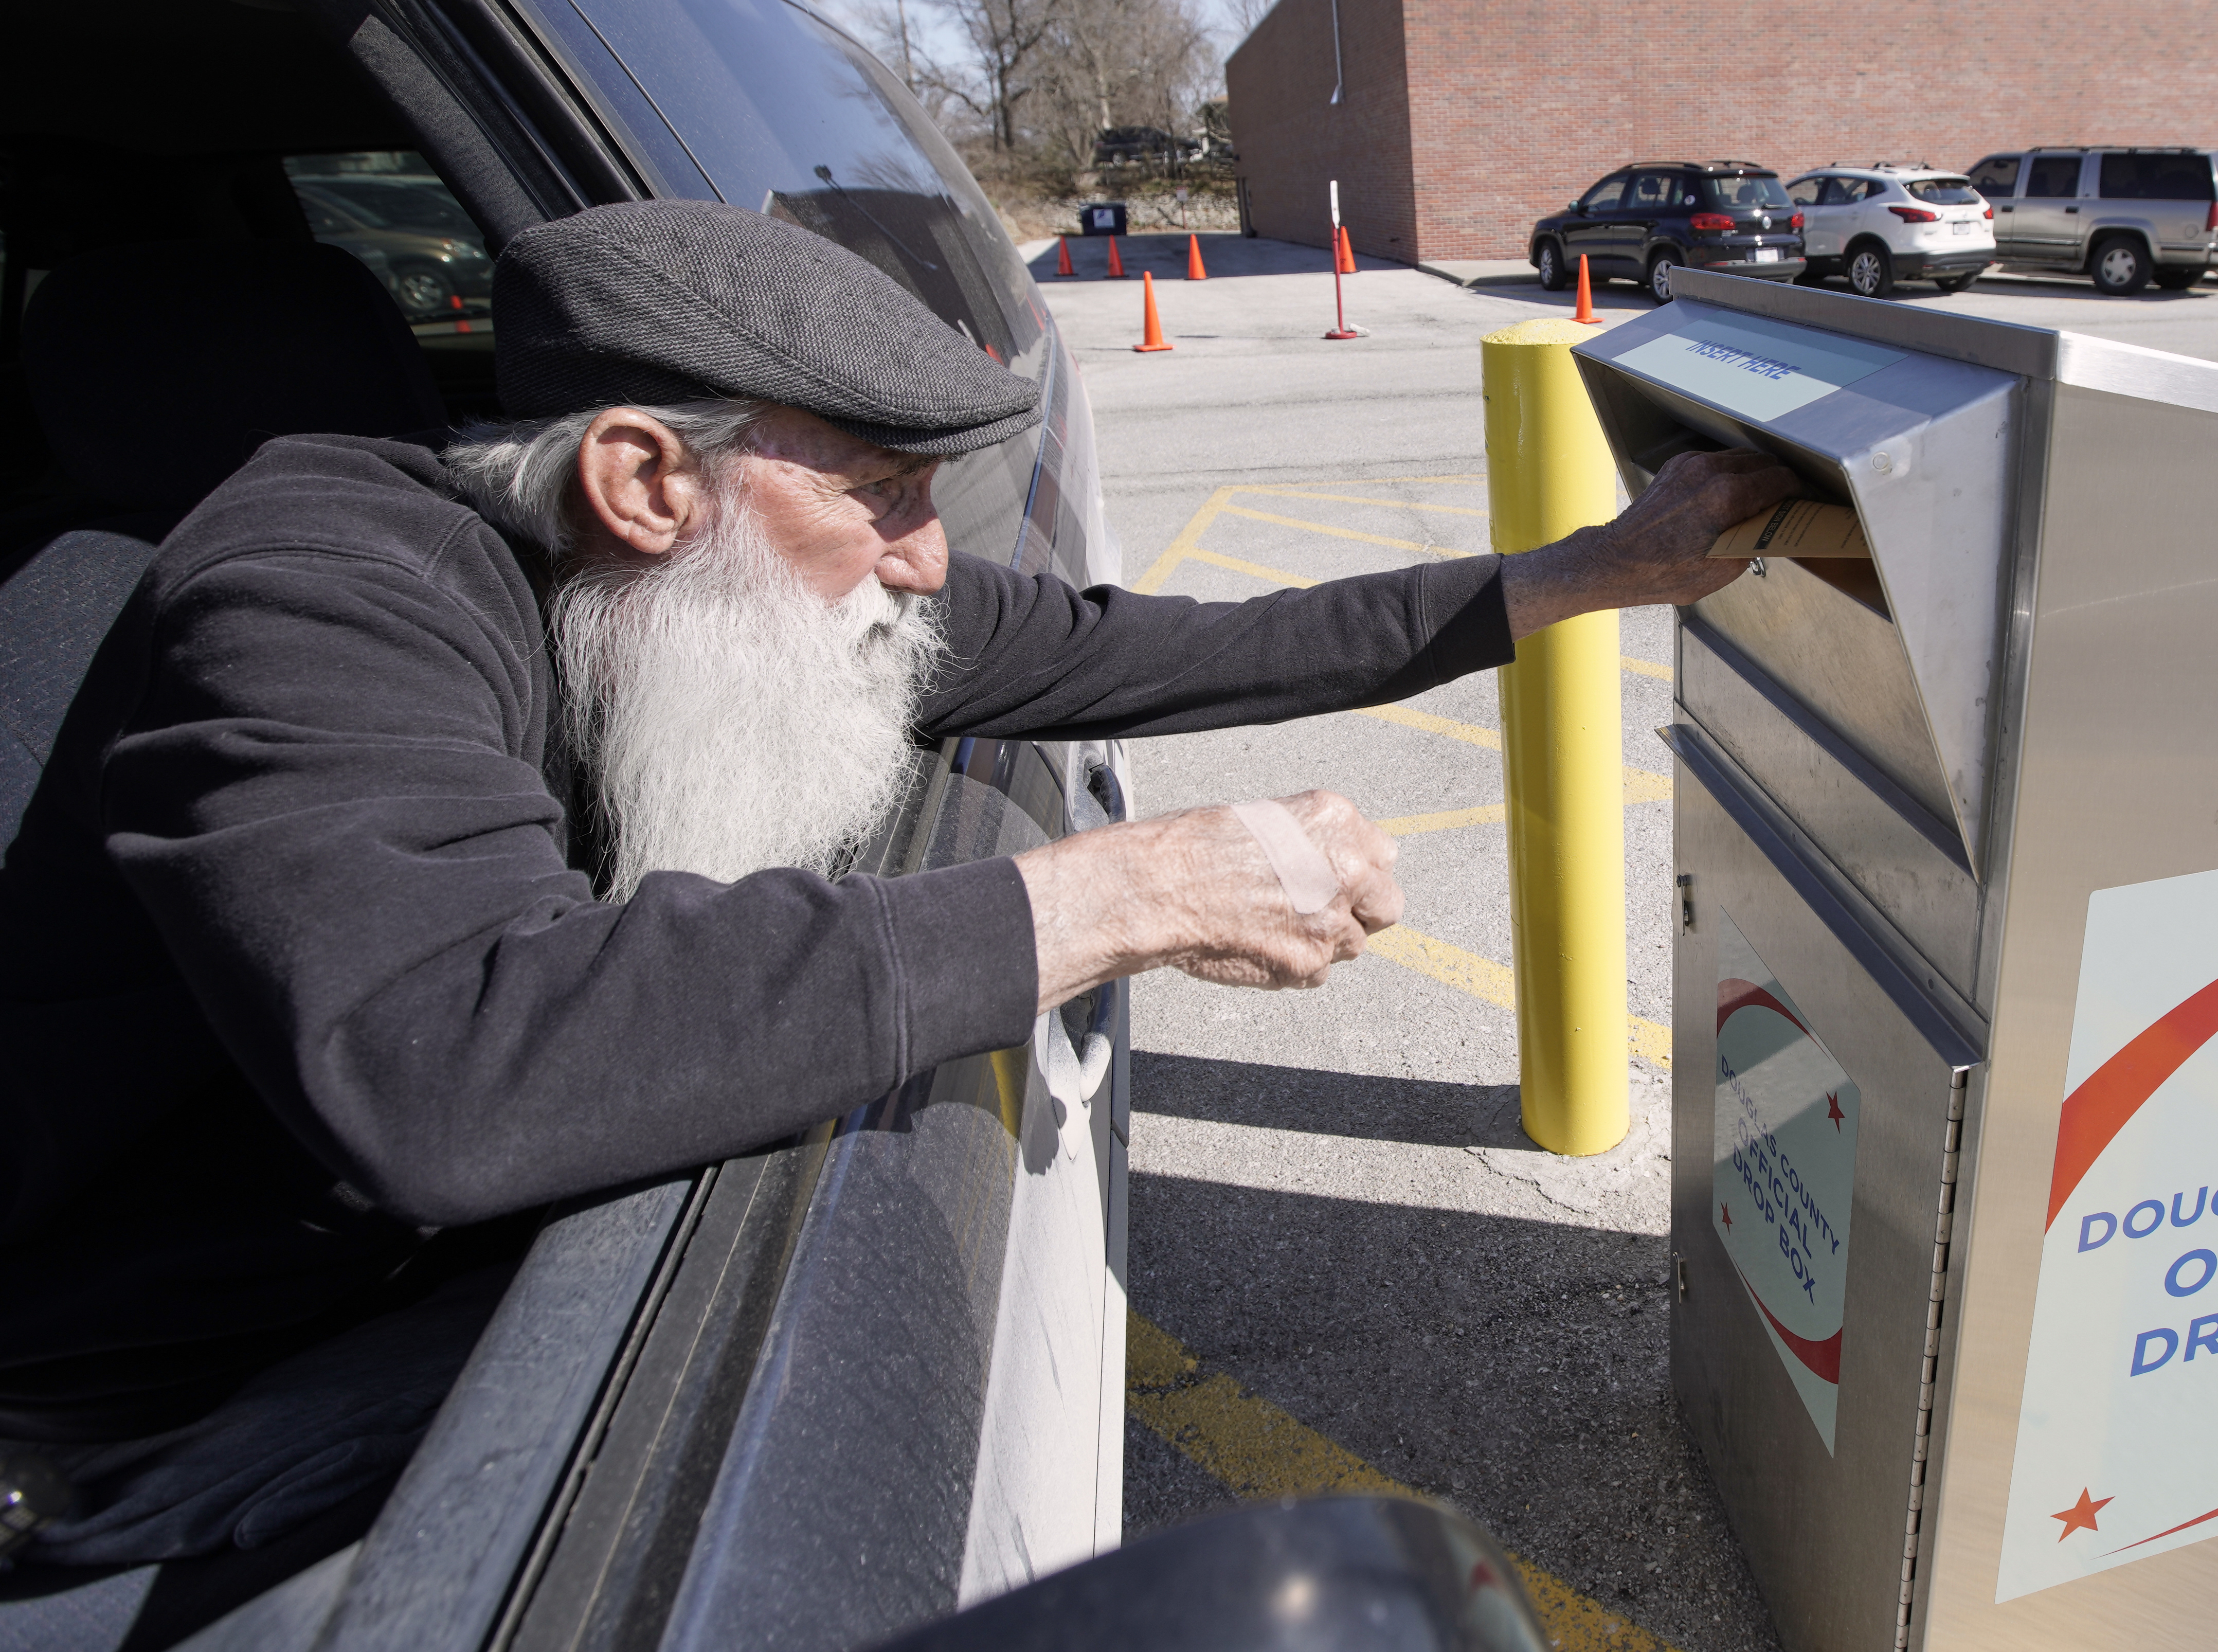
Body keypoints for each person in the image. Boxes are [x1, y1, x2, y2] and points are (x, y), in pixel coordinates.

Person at [0, 200, 1791, 1569]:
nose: (928, 561)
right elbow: (452, 1059)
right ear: (640, 479)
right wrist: (1122, 895)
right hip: (141, 1394)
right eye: (877, 492)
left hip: (405, 1292)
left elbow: (1172, 645)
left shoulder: (761, 573)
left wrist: (1588, 571)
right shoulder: (320, 588)